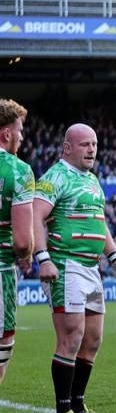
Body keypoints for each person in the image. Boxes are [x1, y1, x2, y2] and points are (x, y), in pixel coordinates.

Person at [33, 124, 116, 413]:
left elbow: (100, 223)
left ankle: (78, 405)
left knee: (92, 340)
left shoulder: (92, 180)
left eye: (95, 144)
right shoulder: (54, 177)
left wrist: (114, 257)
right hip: (66, 265)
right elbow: (35, 216)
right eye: (85, 144)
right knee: (71, 338)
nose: (92, 149)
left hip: (91, 268)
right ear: (67, 148)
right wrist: (43, 258)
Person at [0, 99, 34, 383]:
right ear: (6, 133)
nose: (22, 137)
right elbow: (22, 241)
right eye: (19, 130)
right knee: (3, 342)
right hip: (0, 270)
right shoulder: (18, 170)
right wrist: (28, 253)